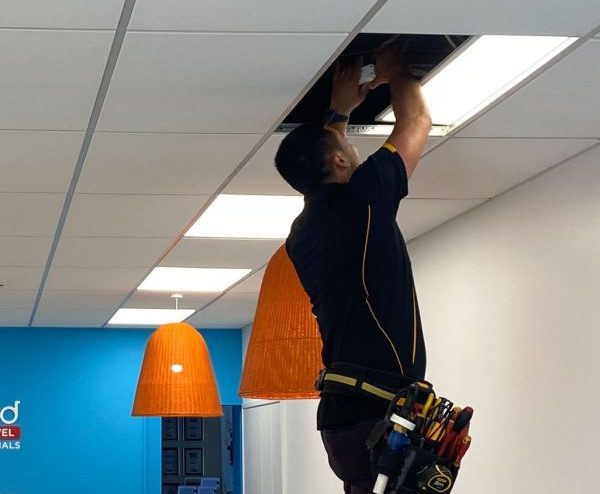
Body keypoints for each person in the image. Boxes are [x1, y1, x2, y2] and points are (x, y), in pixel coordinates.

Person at [274, 40, 432, 494]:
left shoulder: (308, 231)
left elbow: (410, 124)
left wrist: (346, 109)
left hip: (365, 416)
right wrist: (391, 74)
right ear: (341, 160)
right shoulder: (347, 206)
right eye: (345, 144)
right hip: (362, 414)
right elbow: (412, 123)